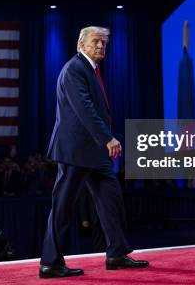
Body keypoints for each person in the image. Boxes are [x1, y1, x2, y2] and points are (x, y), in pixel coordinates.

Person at [39, 26, 148, 278]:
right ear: (81, 44)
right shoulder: (74, 69)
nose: (100, 46)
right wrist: (107, 138)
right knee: (63, 207)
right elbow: (84, 109)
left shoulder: (91, 69)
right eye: (95, 41)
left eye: (103, 43)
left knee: (111, 200)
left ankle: (117, 253)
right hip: (75, 151)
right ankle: (50, 263)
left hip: (93, 153)